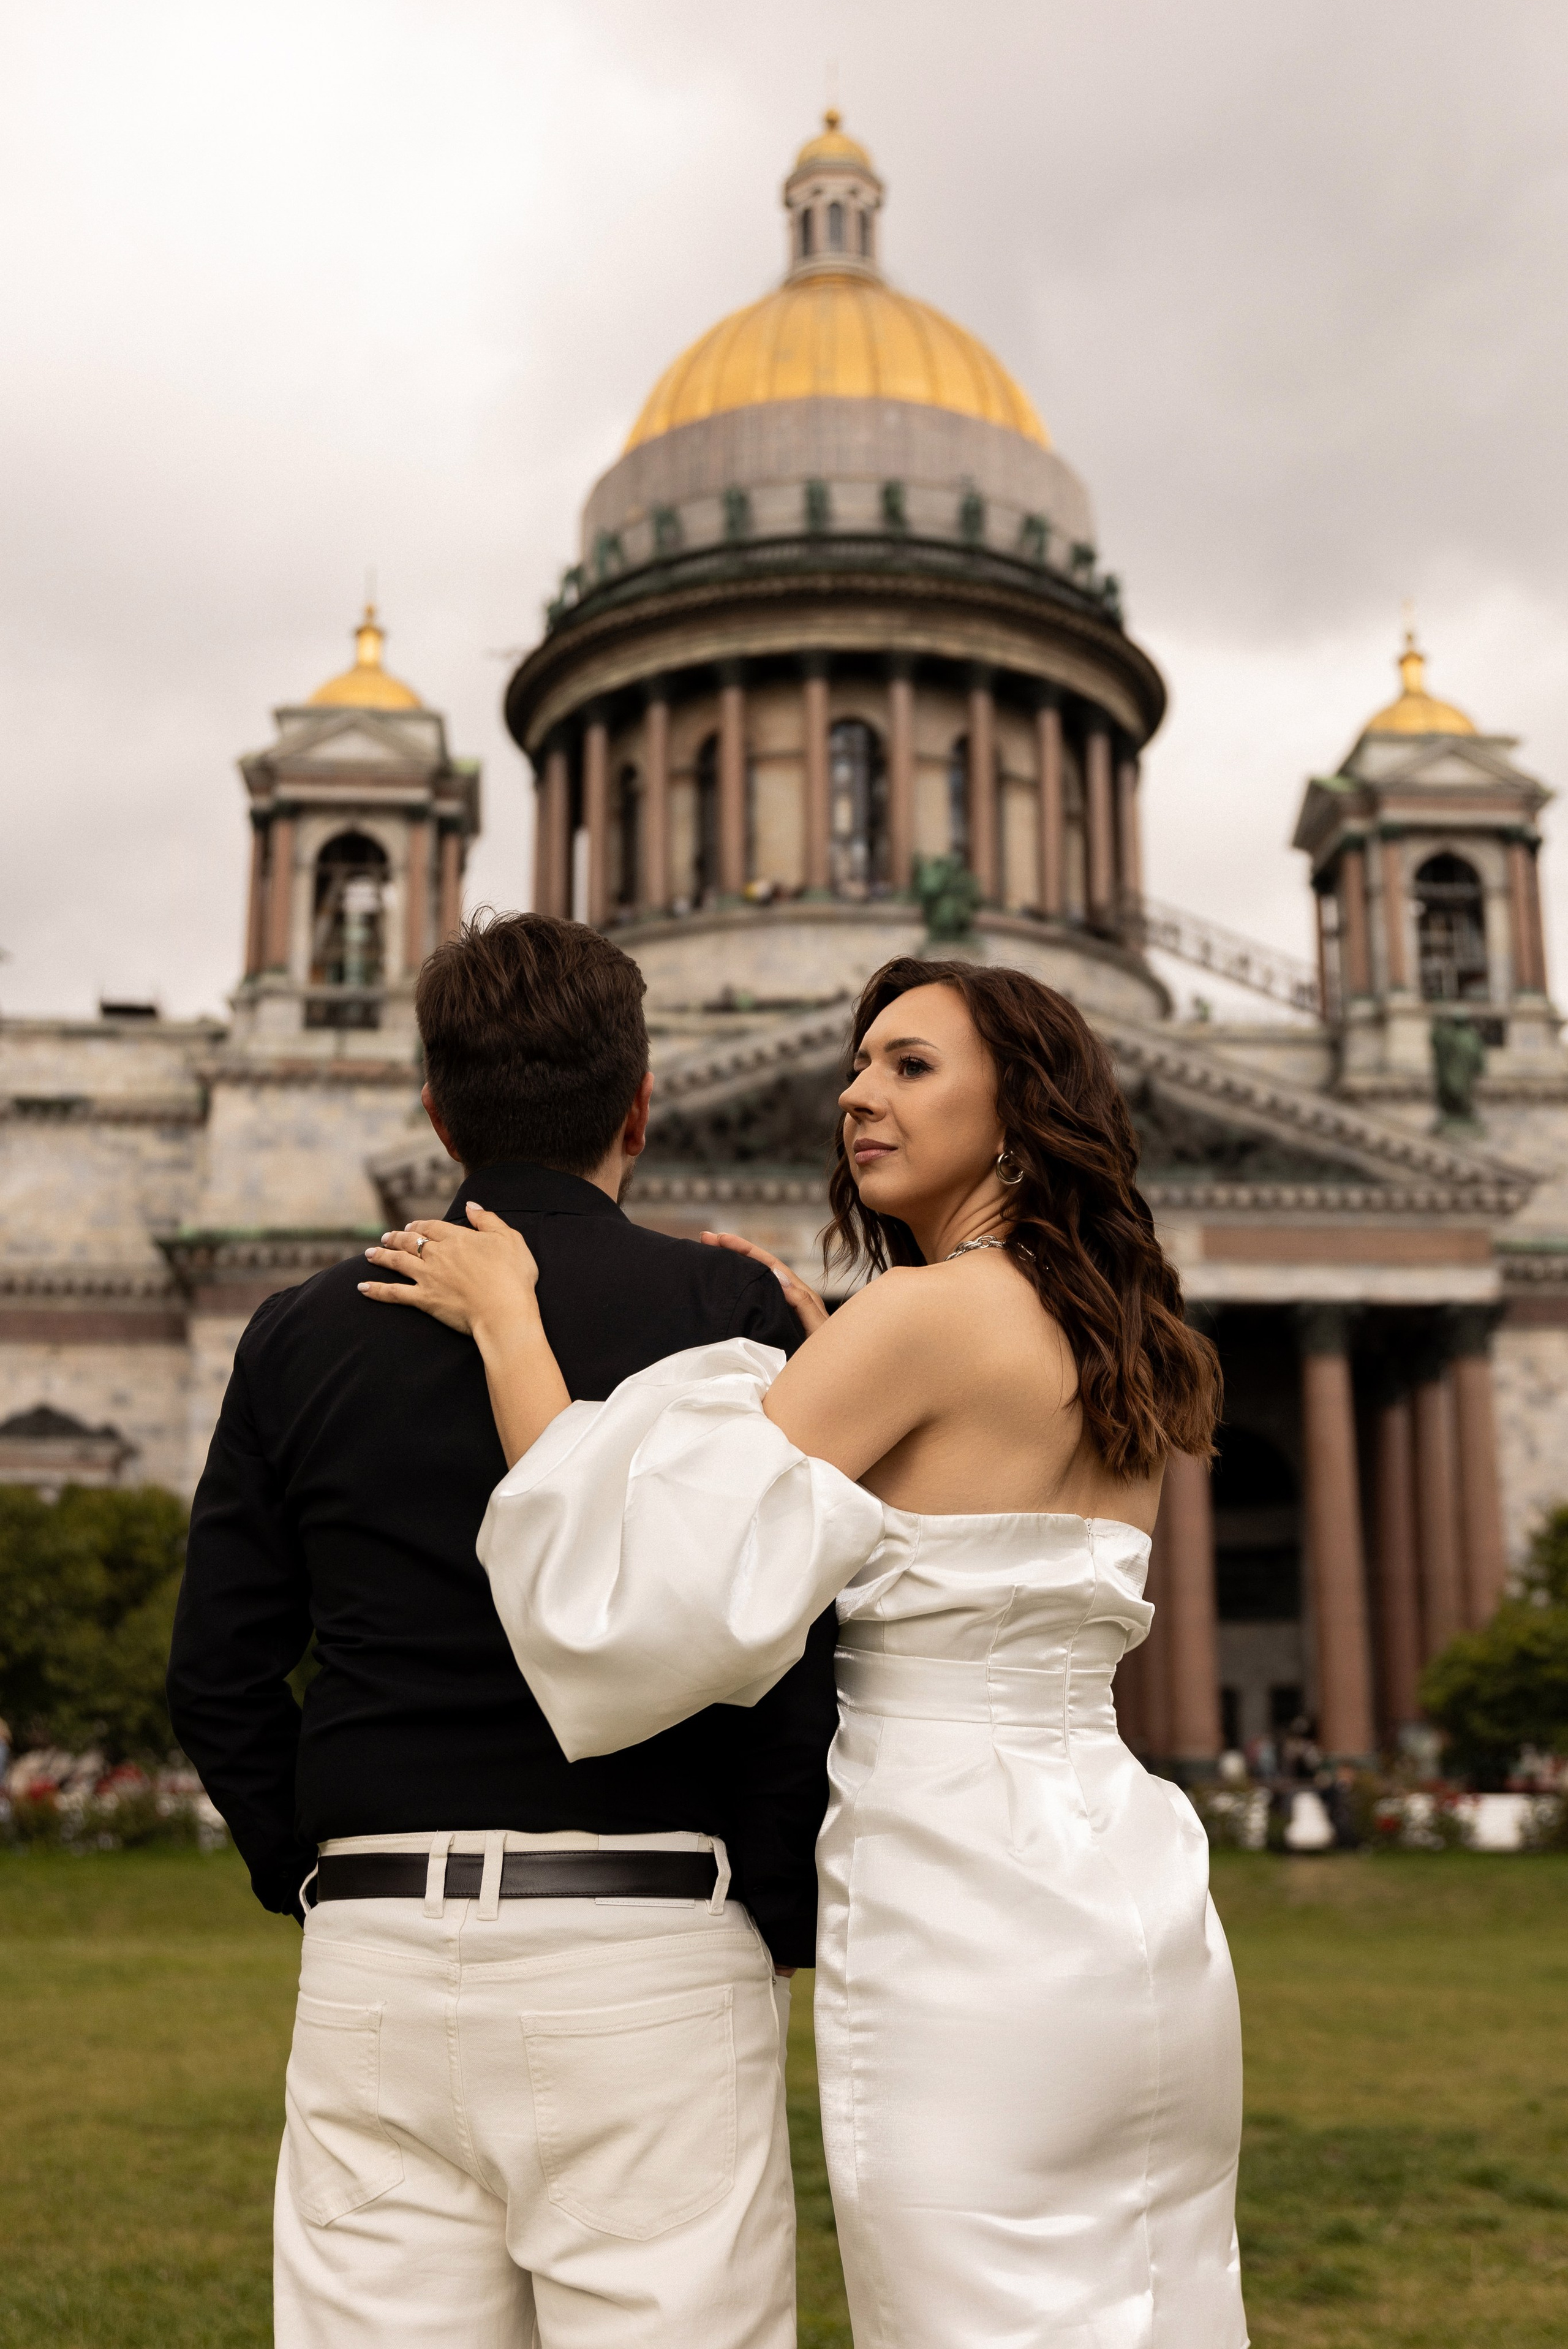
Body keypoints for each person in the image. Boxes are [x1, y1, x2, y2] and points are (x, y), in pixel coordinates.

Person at [363, 955, 1250, 2349]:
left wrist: (505, 1318)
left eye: (907, 1066)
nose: (854, 1097)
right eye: (856, 1066)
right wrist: (831, 1336)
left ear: (1015, 1106)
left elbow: (632, 1580)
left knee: (970, 2314)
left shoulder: (920, 1319)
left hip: (958, 1907)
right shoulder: (1119, 1325)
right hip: (1129, 1899)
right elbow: (953, 1488)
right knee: (1136, 2294)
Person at [167, 913, 835, 2349]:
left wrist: (318, 1874)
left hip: (373, 1951)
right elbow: (799, 1653)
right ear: (639, 1107)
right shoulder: (717, 1309)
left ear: (435, 1108)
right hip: (649, 1935)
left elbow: (216, 1673)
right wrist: (774, 1903)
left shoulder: (297, 1329)